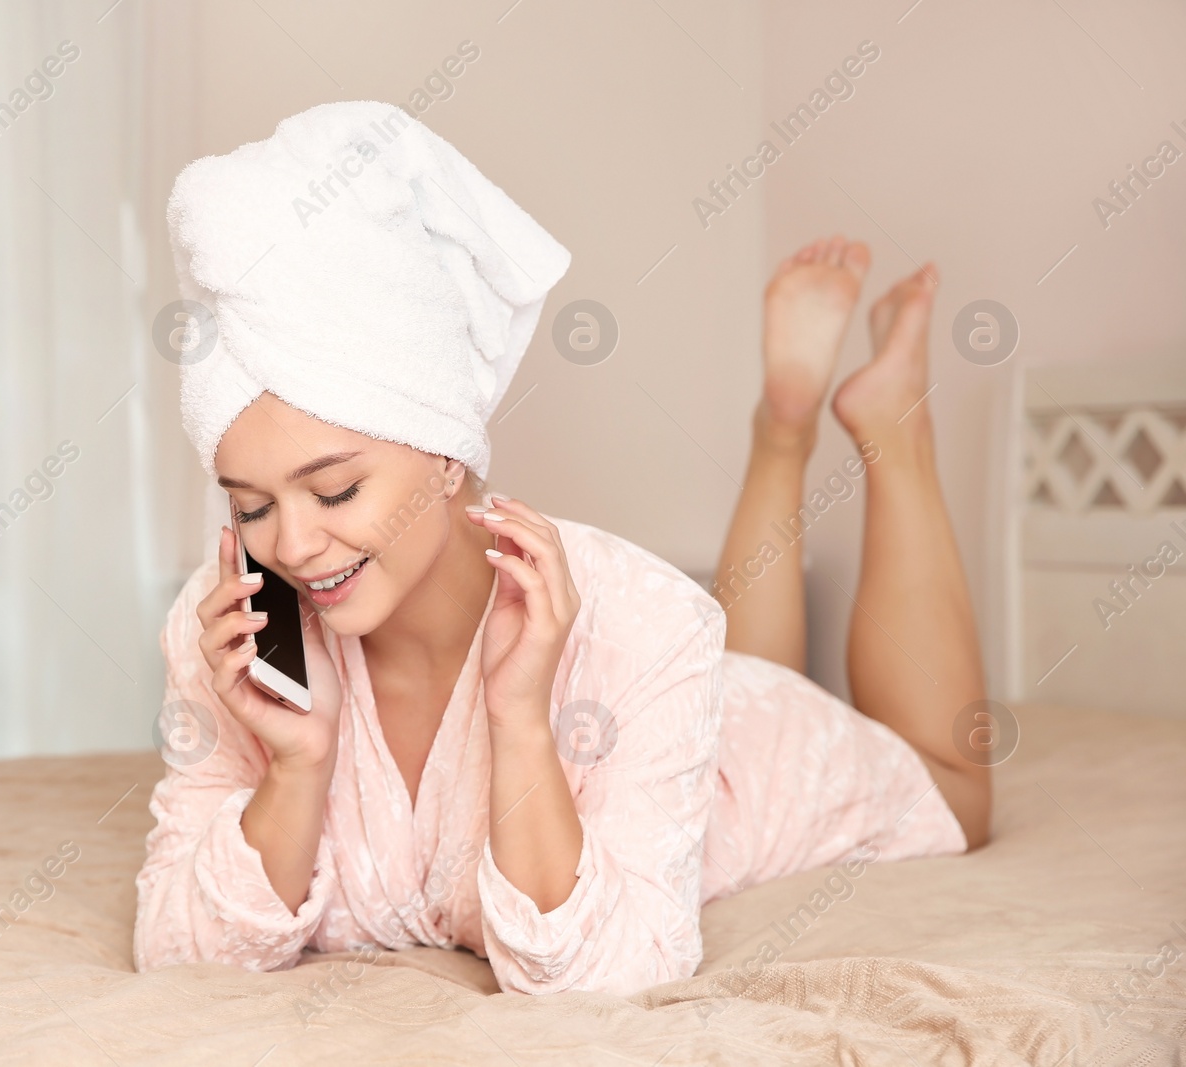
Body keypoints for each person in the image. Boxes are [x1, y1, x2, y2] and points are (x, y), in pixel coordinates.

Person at [133, 101, 988, 998]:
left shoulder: (643, 619)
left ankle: (892, 423)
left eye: (337, 490)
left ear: (446, 448)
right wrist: (300, 766)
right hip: (692, 695)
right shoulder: (229, 629)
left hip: (756, 747)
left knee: (957, 784)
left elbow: (609, 975)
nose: (296, 547)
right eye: (252, 505)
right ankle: (782, 429)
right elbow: (178, 945)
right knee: (735, 660)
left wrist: (520, 721)